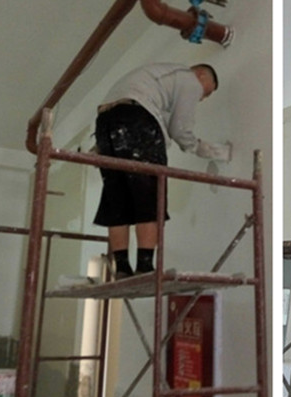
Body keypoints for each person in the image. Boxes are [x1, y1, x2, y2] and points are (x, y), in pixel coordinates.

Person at [93, 63, 231, 278]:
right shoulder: (189, 79)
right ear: (201, 75)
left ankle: (122, 268)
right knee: (149, 194)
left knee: (117, 198)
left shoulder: (156, 82)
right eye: (208, 92)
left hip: (105, 123)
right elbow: (180, 129)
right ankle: (145, 267)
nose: (203, 98)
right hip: (136, 120)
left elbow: (165, 122)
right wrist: (204, 149)